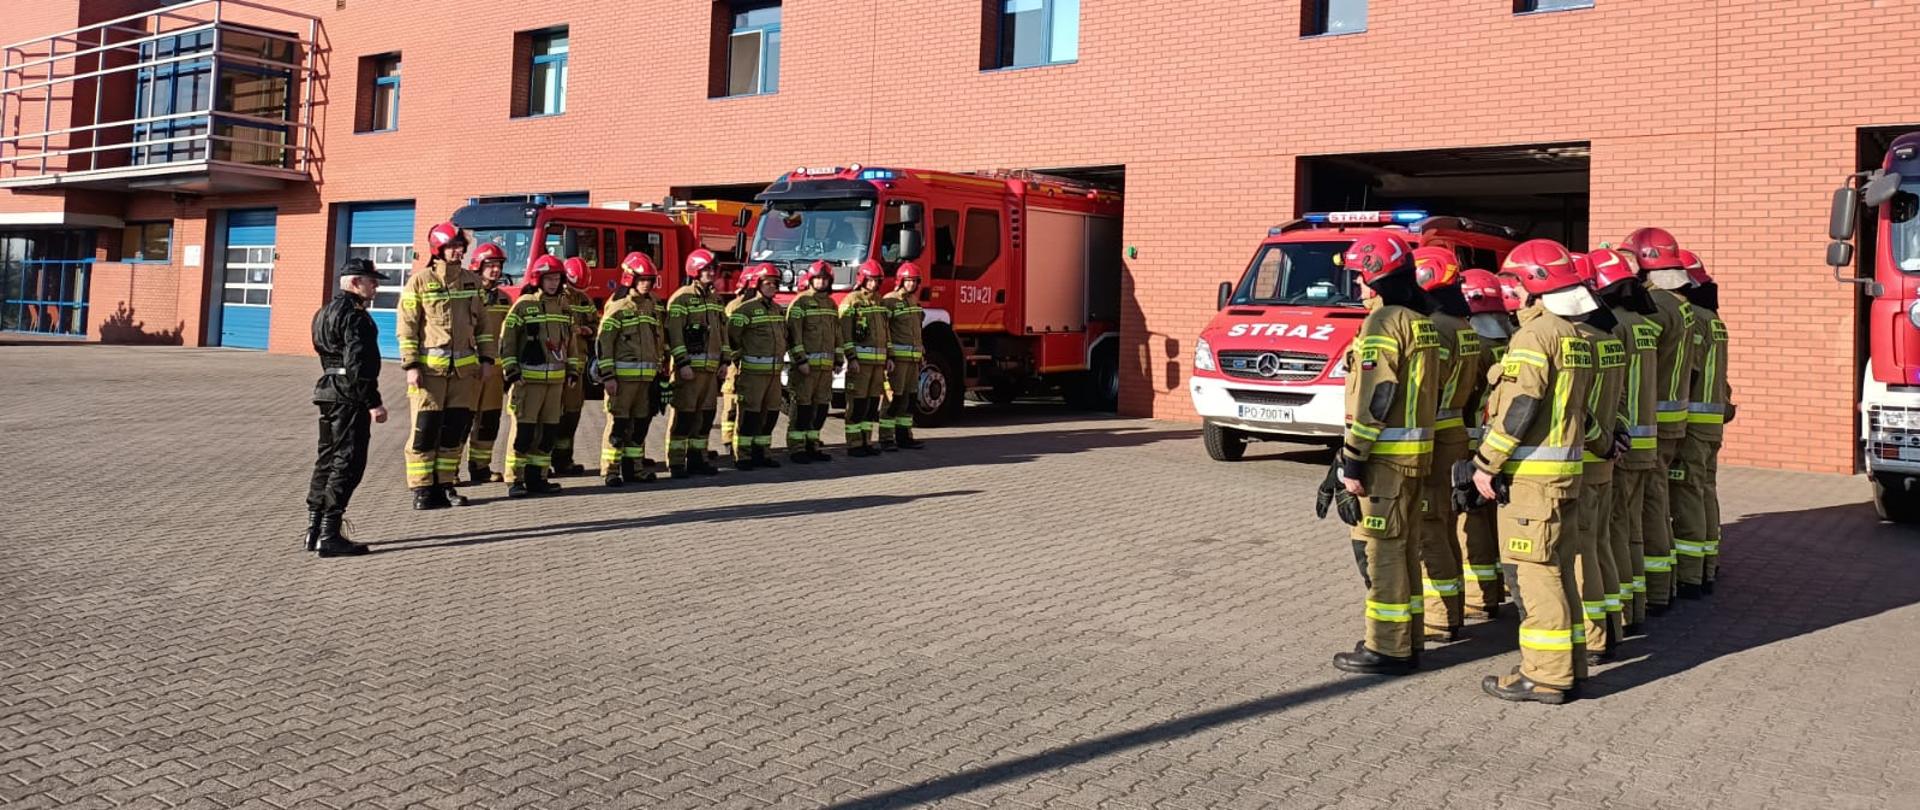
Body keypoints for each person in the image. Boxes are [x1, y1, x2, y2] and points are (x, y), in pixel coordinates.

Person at [1472, 238, 1604, 704]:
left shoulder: (1534, 336)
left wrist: (1486, 462)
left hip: (1533, 481)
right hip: (1566, 476)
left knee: (1536, 574)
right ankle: (1570, 665)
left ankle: (1545, 675)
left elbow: (1521, 405)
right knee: (1560, 570)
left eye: (1512, 282)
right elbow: (1581, 414)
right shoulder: (1576, 336)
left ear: (1531, 286)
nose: (1508, 292)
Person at [1328, 231, 1440, 677]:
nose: (1357, 285)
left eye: (1359, 276)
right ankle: (1407, 637)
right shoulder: (1421, 320)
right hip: (1415, 457)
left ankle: (1388, 648)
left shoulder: (1382, 323)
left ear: (1376, 276)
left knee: (1385, 552)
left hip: (1385, 460)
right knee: (1406, 546)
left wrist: (1353, 457)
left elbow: (1378, 393)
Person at [1618, 227, 1696, 612]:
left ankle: (1656, 590)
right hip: (1672, 416)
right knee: (1657, 498)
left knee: (1645, 504)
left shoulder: (1654, 307)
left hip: (1649, 419)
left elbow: (1629, 349)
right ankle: (1666, 584)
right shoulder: (1681, 304)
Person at [397, 221, 491, 510]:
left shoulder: (472, 282)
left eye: (459, 246)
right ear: (437, 249)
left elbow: (484, 326)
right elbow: (407, 327)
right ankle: (422, 489)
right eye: (451, 246)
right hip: (429, 373)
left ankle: (446, 484)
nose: (457, 251)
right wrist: (411, 365)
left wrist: (487, 359)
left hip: (464, 372)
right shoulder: (420, 282)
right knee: (425, 429)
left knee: (454, 431)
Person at [1592, 248, 1662, 635]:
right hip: (1644, 437)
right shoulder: (1645, 326)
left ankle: (1618, 614)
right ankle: (1635, 606)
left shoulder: (1611, 326)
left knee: (1612, 529)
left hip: (1618, 440)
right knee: (1630, 525)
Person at [1408, 247, 1475, 640]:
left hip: (1432, 439)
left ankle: (1439, 617)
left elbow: (1424, 389)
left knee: (1431, 529)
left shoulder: (1435, 328)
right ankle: (1452, 607)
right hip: (1454, 436)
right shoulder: (1463, 326)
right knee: (1446, 526)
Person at [1570, 250, 1632, 664]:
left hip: (1585, 459)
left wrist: (1601, 442)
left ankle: (1593, 638)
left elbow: (1577, 409)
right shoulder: (1609, 339)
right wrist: (1616, 437)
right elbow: (1621, 400)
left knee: (1581, 552)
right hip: (1605, 458)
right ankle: (1612, 624)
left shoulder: (1580, 341)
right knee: (1602, 542)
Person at [306, 258, 389, 558]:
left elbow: (322, 350)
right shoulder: (356, 316)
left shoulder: (324, 311)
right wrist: (374, 402)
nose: (376, 286)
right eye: (371, 281)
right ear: (355, 282)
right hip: (348, 396)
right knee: (348, 463)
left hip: (328, 390)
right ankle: (329, 534)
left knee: (326, 460)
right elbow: (359, 363)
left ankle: (313, 529)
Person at [1674, 250, 1734, 594]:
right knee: (1704, 488)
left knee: (1687, 494)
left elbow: (1688, 369)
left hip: (1694, 422)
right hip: (1711, 419)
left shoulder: (1693, 318)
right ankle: (1707, 563)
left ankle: (1691, 574)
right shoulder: (1713, 318)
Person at [1455, 268, 1512, 617]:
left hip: (1473, 445)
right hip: (1503, 447)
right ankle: (1496, 586)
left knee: (1470, 522)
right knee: (1492, 522)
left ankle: (1479, 597)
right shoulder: (1511, 342)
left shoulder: (1472, 344)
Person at [499, 255, 577, 497]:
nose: (553, 283)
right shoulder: (523, 305)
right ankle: (515, 480)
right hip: (528, 382)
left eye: (557, 278)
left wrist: (573, 369)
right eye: (549, 278)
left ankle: (537, 478)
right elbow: (507, 340)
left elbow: (571, 343)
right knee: (524, 433)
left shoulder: (565, 307)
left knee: (548, 433)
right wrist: (511, 371)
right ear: (538, 279)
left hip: (555, 383)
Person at [596, 252, 666, 487]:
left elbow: (658, 339)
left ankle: (634, 468)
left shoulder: (652, 306)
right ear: (630, 279)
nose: (647, 284)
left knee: (640, 425)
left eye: (650, 279)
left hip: (646, 380)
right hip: (622, 381)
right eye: (643, 279)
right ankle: (611, 470)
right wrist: (608, 376)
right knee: (619, 425)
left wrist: (661, 370)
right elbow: (604, 344)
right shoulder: (618, 307)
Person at [665, 249, 727, 478]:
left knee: (705, 418)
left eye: (713, 269)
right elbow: (674, 335)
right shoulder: (681, 298)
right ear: (695, 270)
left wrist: (724, 361)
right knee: (685, 417)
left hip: (710, 372)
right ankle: (677, 462)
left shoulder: (715, 299)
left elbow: (722, 333)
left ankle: (697, 459)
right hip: (689, 371)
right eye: (706, 269)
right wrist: (682, 364)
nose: (711, 272)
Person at [726, 264, 788, 469]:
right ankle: (742, 455)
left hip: (773, 374)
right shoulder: (745, 310)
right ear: (757, 284)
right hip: (752, 374)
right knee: (749, 415)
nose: (772, 287)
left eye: (774, 283)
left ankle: (762, 453)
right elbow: (731, 339)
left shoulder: (778, 310)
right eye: (767, 283)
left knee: (770, 414)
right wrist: (737, 360)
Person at [466, 242, 513, 484]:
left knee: (488, 420)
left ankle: (480, 467)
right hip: (469, 368)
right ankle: (448, 473)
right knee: (462, 421)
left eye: (498, 266)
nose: (495, 270)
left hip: (495, 370)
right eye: (490, 265)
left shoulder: (504, 300)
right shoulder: (468, 295)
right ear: (478, 266)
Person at [786, 260, 840, 463]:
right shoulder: (800, 303)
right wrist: (800, 360)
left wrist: (838, 359)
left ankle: (813, 445)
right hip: (805, 369)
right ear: (810, 279)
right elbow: (793, 336)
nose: (821, 282)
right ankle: (797, 448)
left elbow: (837, 334)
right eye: (818, 278)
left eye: (825, 279)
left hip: (825, 370)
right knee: (802, 408)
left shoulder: (831, 304)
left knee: (820, 409)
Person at [550, 256, 598, 477]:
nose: (576, 292)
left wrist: (588, 330)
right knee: (549, 416)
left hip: (576, 369)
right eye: (572, 287)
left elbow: (594, 323)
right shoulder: (556, 300)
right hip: (555, 367)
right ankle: (540, 464)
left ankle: (563, 460)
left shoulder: (584, 299)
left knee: (571, 415)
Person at [839, 260, 892, 458]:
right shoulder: (852, 300)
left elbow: (885, 332)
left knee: (870, 406)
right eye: (870, 280)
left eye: (877, 280)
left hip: (877, 364)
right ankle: (854, 444)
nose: (873, 284)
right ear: (862, 279)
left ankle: (866, 441)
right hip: (859, 364)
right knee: (857, 405)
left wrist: (889, 357)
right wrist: (851, 357)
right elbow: (845, 332)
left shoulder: (879, 301)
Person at [879, 261, 929, 451]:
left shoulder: (914, 302)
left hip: (913, 360)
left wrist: (921, 352)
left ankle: (904, 436)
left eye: (915, 281)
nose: (911, 285)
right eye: (908, 281)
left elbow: (917, 330)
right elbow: (885, 331)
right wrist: (889, 356)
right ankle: (886, 438)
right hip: (898, 361)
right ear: (900, 281)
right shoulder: (889, 301)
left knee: (909, 399)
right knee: (894, 399)